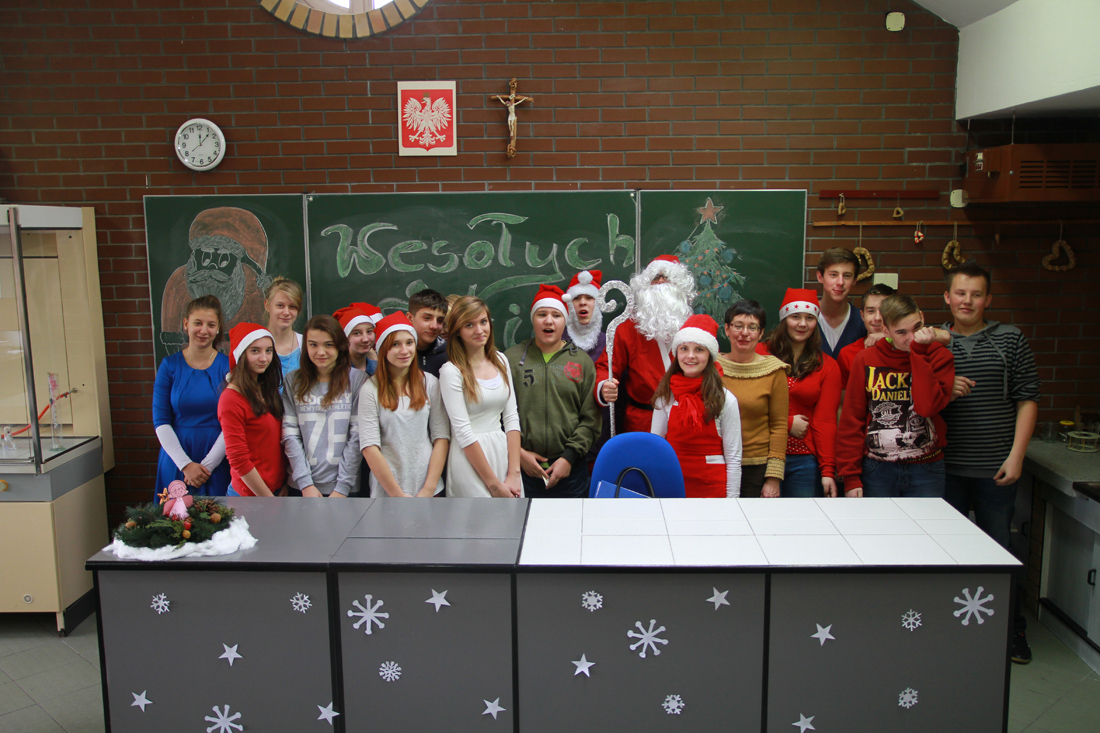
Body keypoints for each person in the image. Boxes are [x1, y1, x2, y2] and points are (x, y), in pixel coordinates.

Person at [939, 261, 1040, 664]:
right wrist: (944, 388)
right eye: (960, 293)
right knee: (948, 552)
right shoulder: (934, 341)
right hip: (945, 467)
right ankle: (953, 628)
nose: (967, 301)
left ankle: (1011, 630)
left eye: (976, 294)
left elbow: (1027, 398)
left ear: (988, 299)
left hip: (994, 467)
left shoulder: (1009, 339)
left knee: (999, 549)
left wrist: (1017, 456)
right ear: (947, 297)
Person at [837, 294, 955, 498]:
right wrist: (850, 476)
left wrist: (919, 353)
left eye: (917, 328)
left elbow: (927, 407)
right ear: (886, 331)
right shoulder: (865, 359)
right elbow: (852, 419)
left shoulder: (939, 356)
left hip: (926, 467)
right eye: (901, 332)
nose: (912, 338)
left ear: (922, 318)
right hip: (877, 469)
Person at [505, 285, 601, 498]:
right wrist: (518, 453)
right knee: (524, 519)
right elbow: (497, 415)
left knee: (572, 519)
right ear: (533, 319)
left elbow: (591, 419)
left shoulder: (582, 361)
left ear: (565, 321)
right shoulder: (510, 359)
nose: (548, 321)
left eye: (556, 315)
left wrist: (568, 458)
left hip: (570, 470)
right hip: (521, 469)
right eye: (542, 314)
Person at [595, 255, 696, 433]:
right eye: (656, 277)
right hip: (642, 423)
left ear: (680, 286)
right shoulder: (627, 327)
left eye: (668, 277)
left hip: (687, 420)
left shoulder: (696, 326)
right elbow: (606, 366)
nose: (661, 282)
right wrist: (604, 385)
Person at [759, 289, 841, 498]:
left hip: (804, 460)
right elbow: (746, 405)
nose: (803, 324)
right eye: (795, 316)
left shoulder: (827, 366)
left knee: (803, 517)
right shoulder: (760, 354)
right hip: (761, 453)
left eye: (810, 318)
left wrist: (828, 470)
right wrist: (787, 423)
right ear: (784, 319)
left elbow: (825, 421)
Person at [439, 296, 522, 498]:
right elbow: (463, 431)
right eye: (469, 325)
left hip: (502, 454)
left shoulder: (501, 360)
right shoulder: (451, 372)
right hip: (470, 461)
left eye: (483, 322)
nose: (479, 330)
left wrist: (514, 473)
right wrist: (493, 484)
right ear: (457, 331)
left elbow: (511, 417)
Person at [359, 313, 450, 498]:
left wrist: (429, 488)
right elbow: (369, 446)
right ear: (383, 349)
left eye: (409, 343)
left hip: (428, 487)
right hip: (388, 492)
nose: (404, 350)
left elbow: (441, 437)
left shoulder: (429, 383)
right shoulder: (370, 388)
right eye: (395, 344)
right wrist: (397, 495)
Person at [651, 314, 742, 497]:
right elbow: (655, 448)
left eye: (699, 349)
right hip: (673, 483)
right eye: (684, 348)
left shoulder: (726, 399)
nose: (690, 356)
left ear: (710, 355)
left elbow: (733, 458)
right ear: (677, 353)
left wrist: (732, 502)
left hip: (711, 488)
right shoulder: (666, 397)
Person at [159, 206, 271, 352]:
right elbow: (171, 335)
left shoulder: (249, 278)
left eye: (224, 259)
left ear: (235, 263)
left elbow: (260, 328)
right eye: (206, 256)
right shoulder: (179, 280)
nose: (212, 266)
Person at [152, 295, 231, 498]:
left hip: (218, 459)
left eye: (211, 325)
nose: (204, 330)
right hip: (177, 459)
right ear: (186, 324)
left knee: (220, 516)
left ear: (218, 328)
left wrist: (207, 466)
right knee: (176, 516)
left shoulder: (229, 367)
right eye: (198, 323)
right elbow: (161, 421)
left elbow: (234, 421)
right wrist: (185, 465)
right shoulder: (169, 366)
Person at [281, 315, 366, 498]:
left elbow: (357, 436)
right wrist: (305, 484)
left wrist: (342, 487)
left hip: (345, 489)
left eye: (328, 345)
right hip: (303, 488)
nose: (321, 352)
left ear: (340, 346)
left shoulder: (357, 380)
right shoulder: (293, 381)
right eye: (313, 345)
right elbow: (290, 434)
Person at [715, 299, 789, 499]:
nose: (744, 333)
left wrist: (773, 477)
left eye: (752, 327)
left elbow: (779, 426)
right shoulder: (712, 367)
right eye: (738, 326)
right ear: (727, 329)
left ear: (761, 333)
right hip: (718, 462)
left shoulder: (774, 371)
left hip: (756, 468)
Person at [218, 322, 287, 497]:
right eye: (255, 351)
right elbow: (238, 459)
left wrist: (285, 483)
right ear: (242, 355)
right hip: (250, 497)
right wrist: (269, 499)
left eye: (268, 351)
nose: (264, 358)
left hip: (277, 490)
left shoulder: (266, 388)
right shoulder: (231, 399)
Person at [837, 283, 897, 386]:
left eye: (884, 311)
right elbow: (844, 395)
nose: (877, 318)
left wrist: (892, 337)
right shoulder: (847, 354)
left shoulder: (906, 348)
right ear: (862, 315)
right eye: (871, 311)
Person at [815, 247, 866, 360]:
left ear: (854, 280)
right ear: (820, 277)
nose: (840, 282)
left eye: (847, 276)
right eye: (833, 275)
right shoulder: (804, 319)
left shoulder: (863, 322)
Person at [562, 269, 605, 363]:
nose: (582, 302)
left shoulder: (608, 343)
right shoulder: (558, 341)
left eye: (589, 298)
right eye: (576, 298)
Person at [264, 276, 304, 376]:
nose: (286, 312)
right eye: (280, 306)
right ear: (267, 305)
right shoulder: (254, 345)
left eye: (292, 307)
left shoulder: (306, 346)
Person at [408, 288, 450, 377]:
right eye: (427, 318)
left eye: (440, 320)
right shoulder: (398, 353)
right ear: (410, 318)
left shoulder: (450, 353)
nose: (434, 326)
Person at [335, 302, 383, 376]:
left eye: (369, 331)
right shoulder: (334, 371)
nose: (365, 339)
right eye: (357, 333)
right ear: (344, 337)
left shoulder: (380, 370)